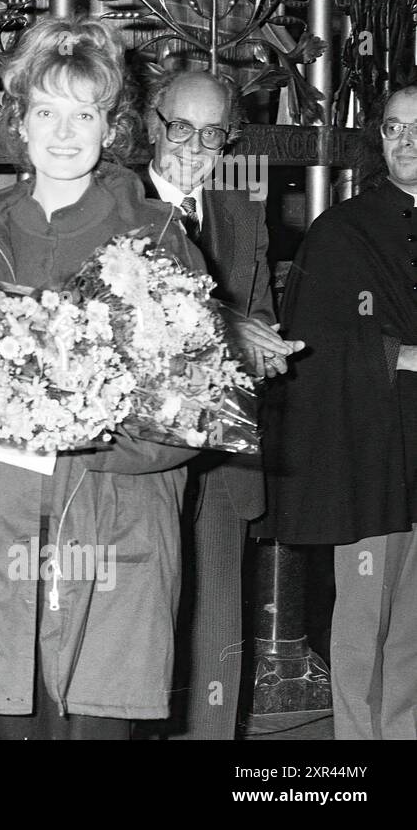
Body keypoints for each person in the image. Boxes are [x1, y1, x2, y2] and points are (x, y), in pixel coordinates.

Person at [0, 17, 204, 739]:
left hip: (113, 528)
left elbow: (194, 408)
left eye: (86, 113)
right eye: (47, 110)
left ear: (113, 126)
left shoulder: (156, 237)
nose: (65, 132)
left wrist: (78, 428)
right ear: (19, 120)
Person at [142, 70, 301, 739]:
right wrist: (227, 329)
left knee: (218, 638)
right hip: (137, 464)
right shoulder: (111, 202)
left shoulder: (240, 211)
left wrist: (264, 344)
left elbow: (258, 307)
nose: (195, 146)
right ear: (154, 124)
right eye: (182, 128)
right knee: (139, 631)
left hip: (224, 456)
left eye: (213, 134)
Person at [259, 84, 417, 740]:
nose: (406, 142)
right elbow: (312, 346)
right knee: (366, 622)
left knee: (413, 628)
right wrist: (401, 354)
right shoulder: (344, 231)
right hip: (370, 450)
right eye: (393, 128)